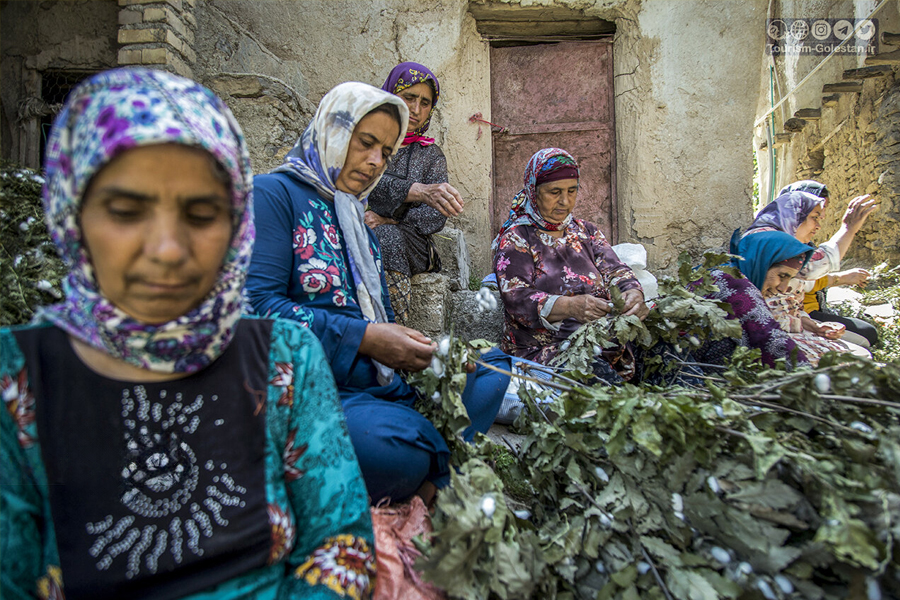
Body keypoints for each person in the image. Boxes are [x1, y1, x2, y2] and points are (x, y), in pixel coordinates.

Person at [0, 69, 375, 599]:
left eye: (201, 213)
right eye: (127, 212)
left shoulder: (282, 359)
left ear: (237, 225)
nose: (168, 249)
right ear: (71, 215)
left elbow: (341, 547)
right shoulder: (17, 377)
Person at [246, 82, 510, 505]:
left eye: (386, 153)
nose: (375, 162)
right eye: (365, 143)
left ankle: (424, 475)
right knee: (394, 450)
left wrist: (418, 352)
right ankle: (430, 469)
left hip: (379, 384)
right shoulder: (273, 195)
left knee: (492, 367)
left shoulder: (356, 219)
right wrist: (367, 338)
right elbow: (259, 313)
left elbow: (379, 319)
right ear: (332, 131)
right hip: (320, 391)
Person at [492, 148, 648, 383]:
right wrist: (571, 306)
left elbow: (616, 269)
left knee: (666, 350)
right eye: (554, 192)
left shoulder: (586, 232)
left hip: (601, 342)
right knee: (604, 385)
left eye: (572, 191)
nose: (565, 201)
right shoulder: (516, 239)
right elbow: (517, 298)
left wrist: (632, 292)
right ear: (533, 191)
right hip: (546, 351)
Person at [363, 62, 463, 324]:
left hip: (411, 243)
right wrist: (415, 191)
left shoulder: (430, 155)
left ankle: (395, 327)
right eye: (408, 97)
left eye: (426, 103)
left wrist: (390, 218)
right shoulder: (366, 142)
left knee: (386, 235)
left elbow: (434, 216)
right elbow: (370, 183)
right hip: (358, 227)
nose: (416, 109)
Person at [744, 188, 878, 350]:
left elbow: (792, 307)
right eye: (814, 217)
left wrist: (814, 326)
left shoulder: (794, 245)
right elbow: (814, 268)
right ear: (794, 215)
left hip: (791, 329)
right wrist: (848, 229)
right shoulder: (766, 240)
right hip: (768, 336)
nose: (818, 226)